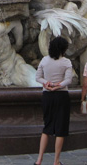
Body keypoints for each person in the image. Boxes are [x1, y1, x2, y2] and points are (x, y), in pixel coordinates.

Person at [34, 37, 73, 165]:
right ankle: (56, 161)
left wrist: (47, 83)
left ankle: (39, 159)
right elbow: (68, 80)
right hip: (61, 96)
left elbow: (37, 77)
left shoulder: (44, 60)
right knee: (60, 129)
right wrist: (58, 85)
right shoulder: (66, 62)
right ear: (63, 49)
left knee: (47, 127)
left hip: (47, 96)